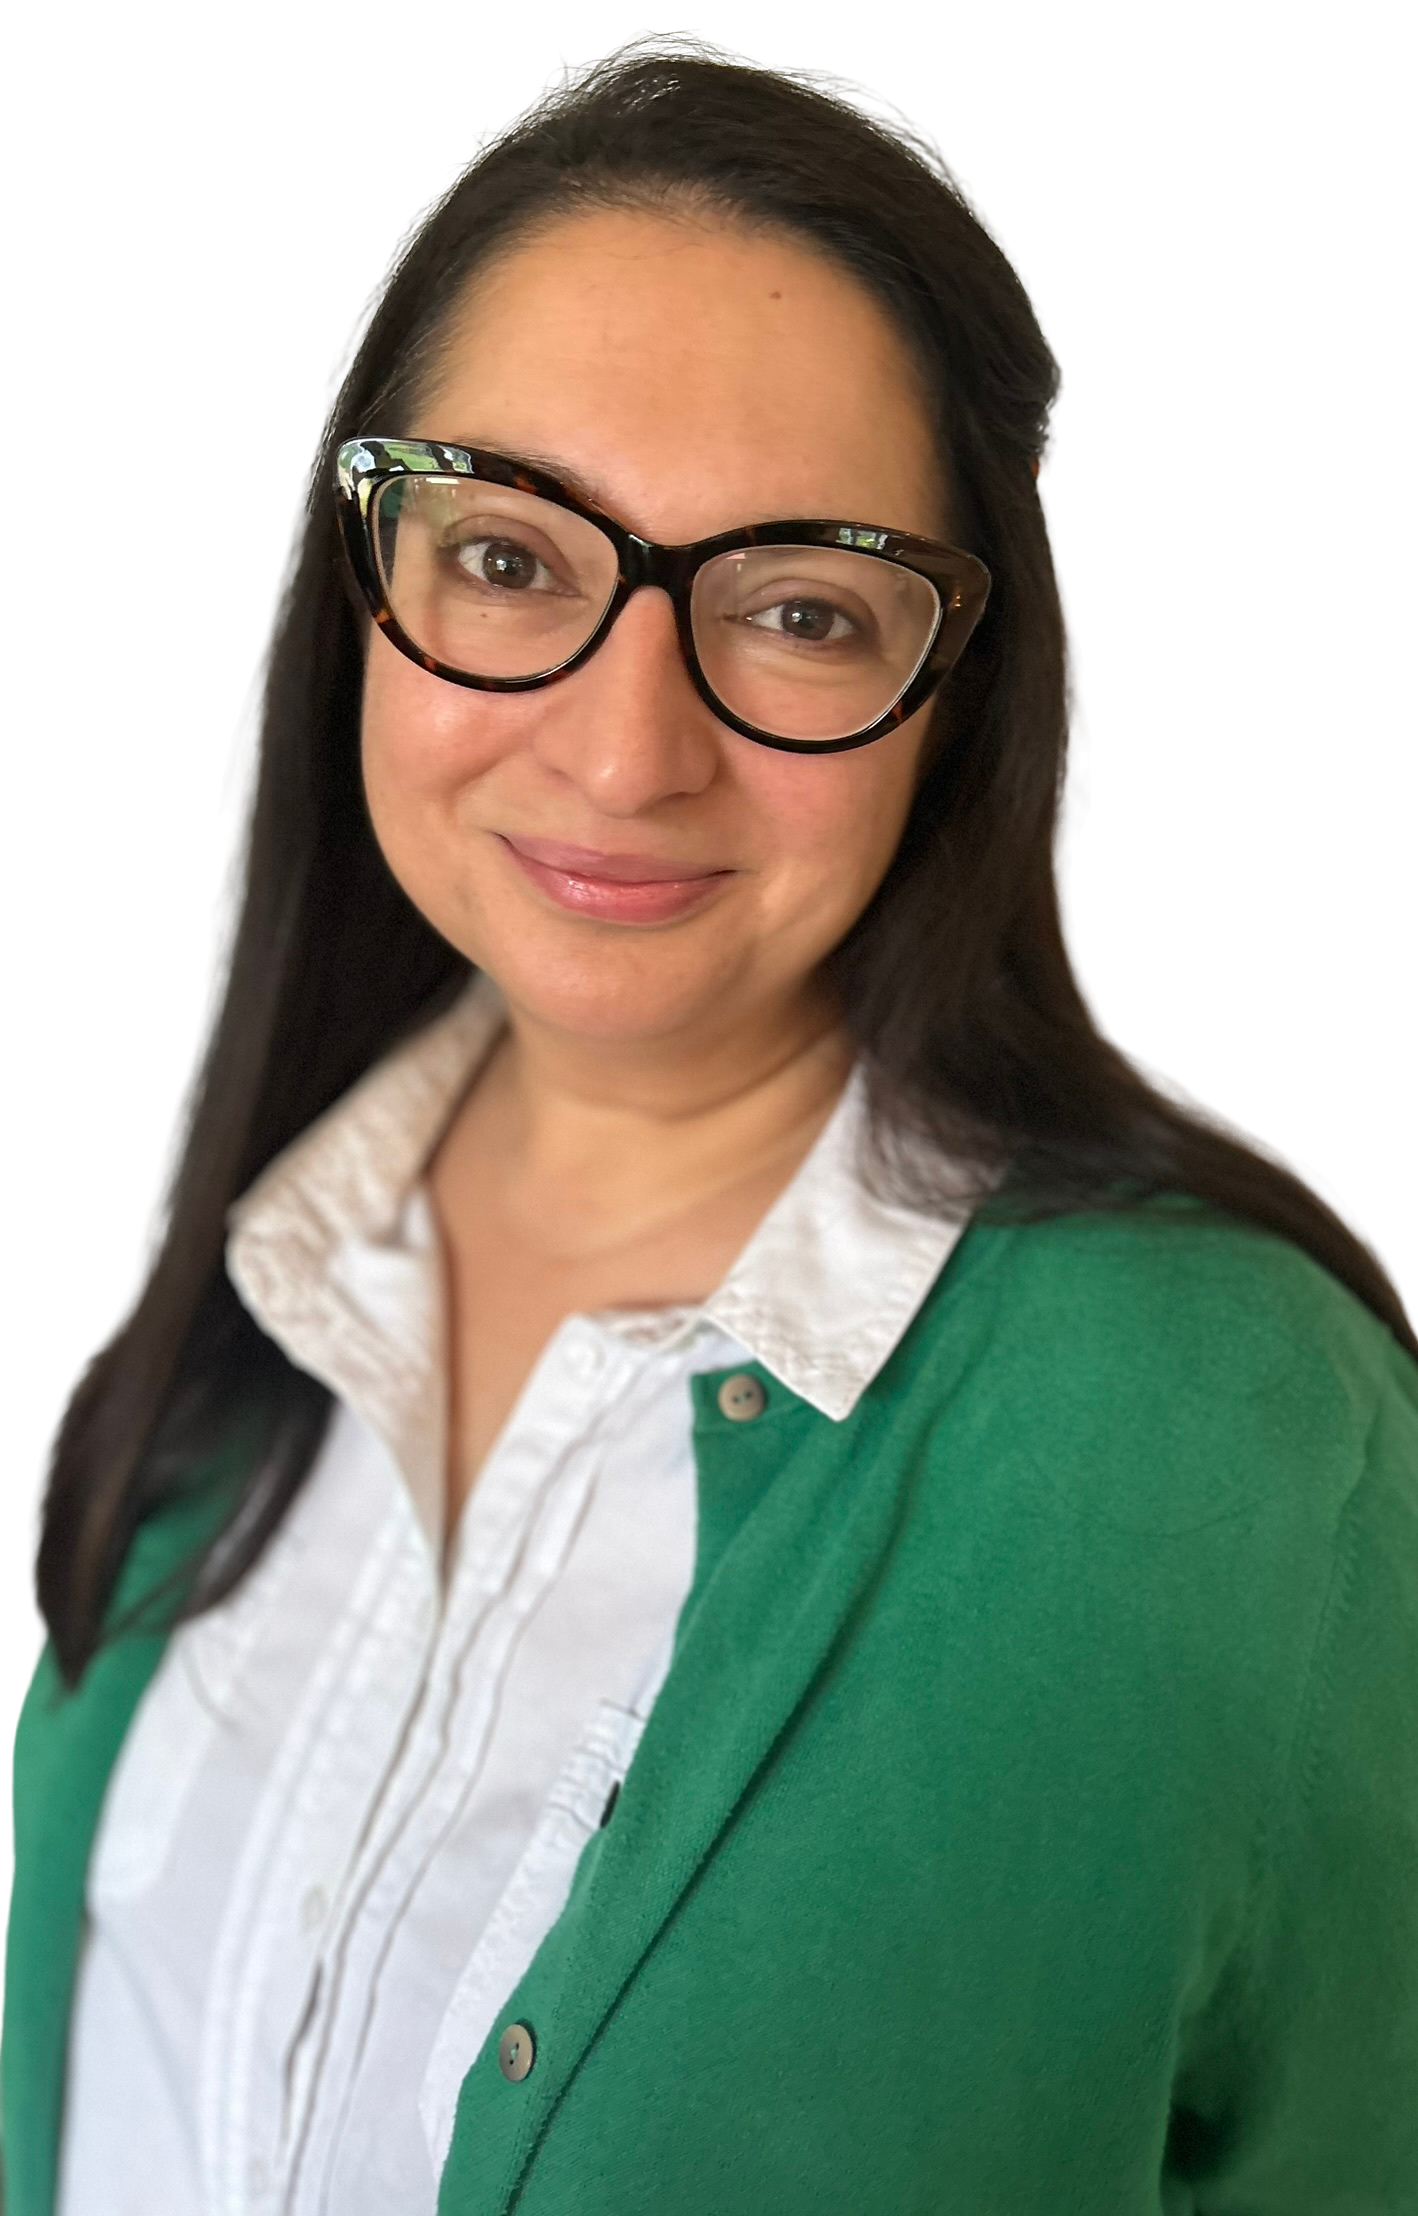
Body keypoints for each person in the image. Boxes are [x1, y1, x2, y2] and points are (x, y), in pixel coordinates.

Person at [7, 31, 1416, 2216]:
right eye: (508, 560)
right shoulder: (219, 1303)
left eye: (796, 608)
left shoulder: (1234, 1444)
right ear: (362, 585)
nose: (623, 749)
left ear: (954, 697)